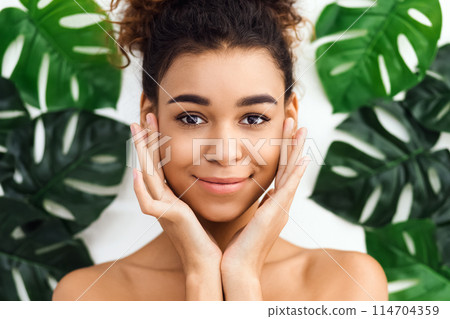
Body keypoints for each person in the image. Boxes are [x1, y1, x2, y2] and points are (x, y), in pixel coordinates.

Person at [52, 0, 388, 301]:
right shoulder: (88, 296)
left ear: (289, 119)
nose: (225, 153)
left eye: (254, 118)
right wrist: (200, 272)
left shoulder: (349, 285)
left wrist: (242, 275)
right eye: (191, 117)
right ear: (149, 119)